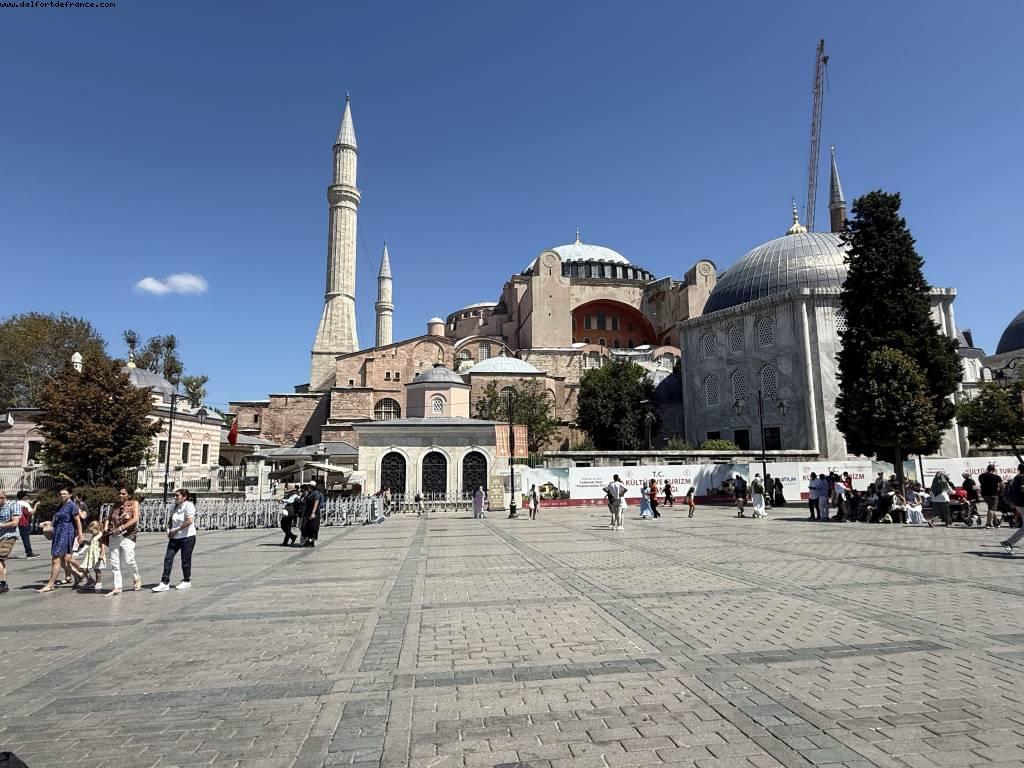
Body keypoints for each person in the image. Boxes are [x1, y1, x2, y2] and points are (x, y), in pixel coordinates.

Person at [39, 488, 86, 593]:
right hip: (58, 532)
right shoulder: (59, 506)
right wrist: (48, 523)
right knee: (64, 560)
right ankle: (78, 574)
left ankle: (50, 584)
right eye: (61, 494)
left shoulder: (72, 505)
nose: (62, 496)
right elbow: (56, 520)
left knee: (56, 558)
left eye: (64, 494)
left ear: (70, 494)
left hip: (66, 532)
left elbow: (77, 520)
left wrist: (80, 534)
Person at [153, 488, 196, 591]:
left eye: (177, 495)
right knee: (168, 558)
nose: (175, 497)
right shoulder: (175, 506)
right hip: (175, 537)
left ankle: (186, 581)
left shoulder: (189, 505)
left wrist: (176, 530)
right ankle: (165, 582)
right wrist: (168, 529)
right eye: (175, 495)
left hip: (187, 537)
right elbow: (170, 519)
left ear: (184, 497)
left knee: (185, 560)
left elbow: (190, 521)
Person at [104, 484, 141, 596]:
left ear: (129, 495)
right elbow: (109, 518)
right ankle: (118, 586)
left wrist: (121, 528)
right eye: (120, 493)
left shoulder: (134, 503)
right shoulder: (115, 505)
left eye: (123, 493)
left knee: (129, 559)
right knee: (115, 562)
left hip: (128, 534)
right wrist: (106, 527)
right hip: (114, 535)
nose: (121, 495)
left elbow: (135, 518)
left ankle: (136, 578)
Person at [1000, 465, 1024, 554]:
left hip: (1018, 503)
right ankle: (1008, 542)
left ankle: (1008, 542)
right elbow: (1022, 488)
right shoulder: (1022, 477)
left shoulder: (1015, 478)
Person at [0, 490, 21, 594]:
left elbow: (15, 523)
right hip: (0, 535)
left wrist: (0, 525)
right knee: (1, 560)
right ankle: (3, 583)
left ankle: (2, 583)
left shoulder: (13, 505)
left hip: (9, 535)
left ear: (2, 497)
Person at [78, 520, 106, 591]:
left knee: (97, 569)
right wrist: (84, 541)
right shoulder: (94, 535)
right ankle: (90, 580)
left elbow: (103, 546)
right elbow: (90, 543)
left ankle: (98, 583)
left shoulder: (100, 535)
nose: (91, 532)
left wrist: (101, 555)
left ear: (97, 528)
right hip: (91, 555)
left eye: (92, 531)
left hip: (97, 555)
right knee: (83, 568)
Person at [979, 464, 1003, 528]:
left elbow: (982, 483)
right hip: (993, 494)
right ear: (994, 469)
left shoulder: (981, 476)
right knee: (991, 509)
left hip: (984, 494)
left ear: (987, 468)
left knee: (991, 508)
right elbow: (1002, 485)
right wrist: (1000, 491)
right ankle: (988, 524)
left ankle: (996, 523)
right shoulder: (997, 477)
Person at [15, 491, 37, 558]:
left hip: (16, 522)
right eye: (27, 495)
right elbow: (31, 513)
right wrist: (36, 505)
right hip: (24, 523)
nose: (27, 496)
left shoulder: (15, 503)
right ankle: (29, 553)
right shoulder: (25, 503)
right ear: (24, 496)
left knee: (11, 538)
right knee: (26, 539)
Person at [304, 482, 323, 546]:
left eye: (309, 486)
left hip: (314, 511)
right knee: (306, 526)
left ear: (312, 486)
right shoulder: (309, 492)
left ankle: (312, 541)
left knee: (313, 527)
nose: (308, 487)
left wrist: (313, 513)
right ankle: (307, 540)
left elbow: (316, 503)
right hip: (308, 511)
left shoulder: (316, 493)